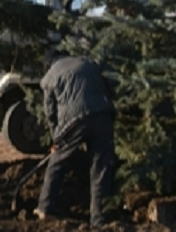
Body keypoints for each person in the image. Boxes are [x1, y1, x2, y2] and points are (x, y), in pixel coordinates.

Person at [36, 51, 116, 228]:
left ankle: (45, 208)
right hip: (103, 114)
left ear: (47, 65)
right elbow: (110, 81)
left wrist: (55, 138)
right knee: (101, 166)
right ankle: (98, 219)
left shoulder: (50, 76)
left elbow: (50, 112)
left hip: (73, 121)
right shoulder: (86, 62)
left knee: (57, 163)